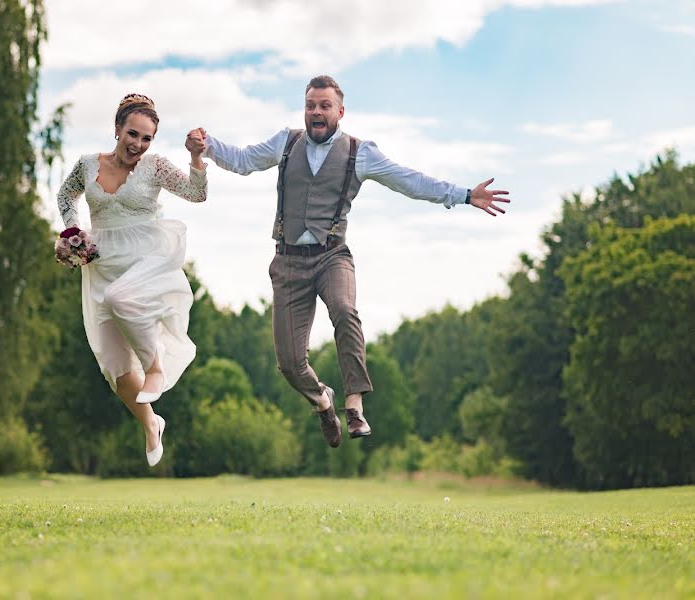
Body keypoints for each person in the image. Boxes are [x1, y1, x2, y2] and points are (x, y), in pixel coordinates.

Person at [187, 75, 509, 448]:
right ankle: (324, 400)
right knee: (290, 363)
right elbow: (243, 161)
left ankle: (354, 403)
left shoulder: (360, 153)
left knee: (344, 308)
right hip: (288, 261)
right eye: (311, 106)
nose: (316, 112)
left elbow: (410, 181)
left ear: (340, 111)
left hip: (331, 256)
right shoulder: (285, 143)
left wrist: (465, 195)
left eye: (325, 106)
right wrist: (207, 145)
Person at [57, 93, 208, 467]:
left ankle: (155, 367)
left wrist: (195, 158)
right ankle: (152, 423)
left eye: (146, 139)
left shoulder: (154, 167)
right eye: (133, 134)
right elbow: (65, 195)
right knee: (116, 367)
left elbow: (197, 193)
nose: (138, 145)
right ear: (117, 129)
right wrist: (73, 232)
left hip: (147, 259)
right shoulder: (87, 165)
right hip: (102, 262)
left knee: (122, 299)